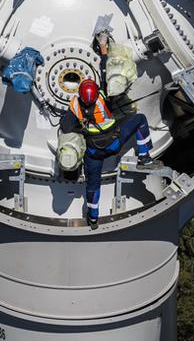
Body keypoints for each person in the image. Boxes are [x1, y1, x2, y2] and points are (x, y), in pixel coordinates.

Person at [62, 78, 160, 229]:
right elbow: (113, 89)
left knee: (93, 185)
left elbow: (66, 126)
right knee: (140, 120)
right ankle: (144, 158)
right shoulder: (102, 97)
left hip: (94, 152)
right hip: (113, 145)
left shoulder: (75, 106)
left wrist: (80, 124)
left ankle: (93, 218)